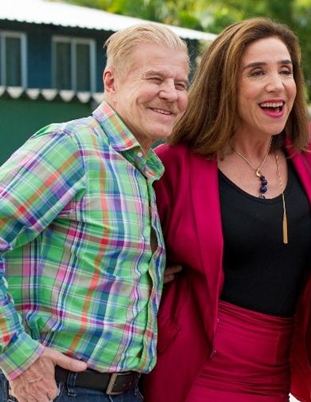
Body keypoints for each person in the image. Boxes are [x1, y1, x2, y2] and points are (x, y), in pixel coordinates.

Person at [140, 18, 311, 402]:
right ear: (225, 85)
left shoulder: (309, 147)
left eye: (286, 70)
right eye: (257, 72)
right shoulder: (174, 165)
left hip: (279, 372)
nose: (277, 84)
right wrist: (148, 271)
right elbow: (130, 247)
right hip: (198, 370)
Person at [0, 23, 189, 402]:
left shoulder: (141, 167)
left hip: (123, 391)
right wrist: (18, 358)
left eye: (181, 84)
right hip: (57, 389)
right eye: (155, 78)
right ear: (112, 81)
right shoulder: (72, 147)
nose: (170, 94)